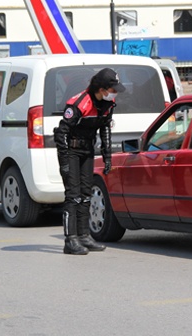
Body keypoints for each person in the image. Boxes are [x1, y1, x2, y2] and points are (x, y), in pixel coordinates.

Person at [53, 68, 126, 255]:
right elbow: (60, 133)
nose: (115, 93)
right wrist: (64, 162)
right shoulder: (79, 103)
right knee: (73, 195)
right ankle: (70, 240)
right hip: (71, 152)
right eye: (112, 89)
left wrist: (107, 155)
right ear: (101, 89)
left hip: (87, 151)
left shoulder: (107, 104)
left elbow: (105, 129)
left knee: (86, 194)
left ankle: (84, 236)